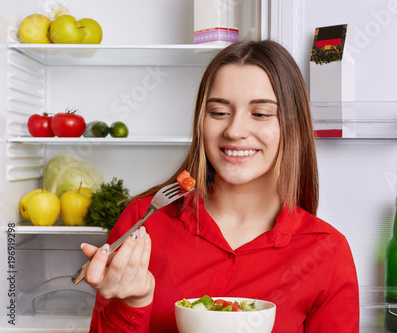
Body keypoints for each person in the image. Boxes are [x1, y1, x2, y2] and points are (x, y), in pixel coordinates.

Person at [81, 39, 359, 332]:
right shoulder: (143, 224)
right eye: (219, 112)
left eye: (261, 114)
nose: (234, 130)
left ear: (293, 126)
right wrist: (132, 305)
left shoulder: (327, 251)